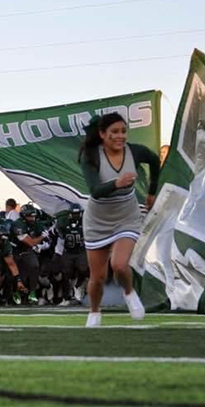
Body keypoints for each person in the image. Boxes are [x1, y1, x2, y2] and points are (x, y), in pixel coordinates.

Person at [79, 112, 160, 327]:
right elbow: (95, 191)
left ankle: (129, 292)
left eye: (124, 131)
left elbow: (155, 161)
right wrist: (117, 183)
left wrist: (152, 192)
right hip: (97, 220)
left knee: (120, 265)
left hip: (127, 216)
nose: (120, 136)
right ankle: (94, 312)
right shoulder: (91, 155)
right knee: (97, 277)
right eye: (114, 132)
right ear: (102, 134)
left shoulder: (135, 152)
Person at [54, 203, 88, 306]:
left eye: (78, 214)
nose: (76, 216)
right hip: (68, 252)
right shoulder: (63, 223)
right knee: (65, 275)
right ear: (70, 214)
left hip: (81, 251)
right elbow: (58, 236)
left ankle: (78, 286)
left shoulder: (85, 222)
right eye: (74, 214)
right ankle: (66, 298)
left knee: (83, 269)